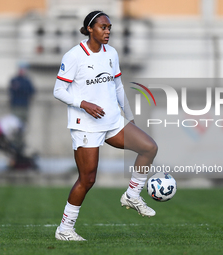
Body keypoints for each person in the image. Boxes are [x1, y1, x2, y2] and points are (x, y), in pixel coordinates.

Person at [53, 11, 158, 241]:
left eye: (109, 27)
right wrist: (84, 104)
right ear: (90, 29)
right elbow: (58, 90)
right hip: (86, 125)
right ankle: (65, 229)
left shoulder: (111, 53)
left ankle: (132, 194)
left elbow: (118, 86)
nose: (107, 31)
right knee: (87, 179)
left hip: (112, 121)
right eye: (103, 27)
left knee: (149, 147)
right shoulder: (74, 56)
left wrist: (128, 117)